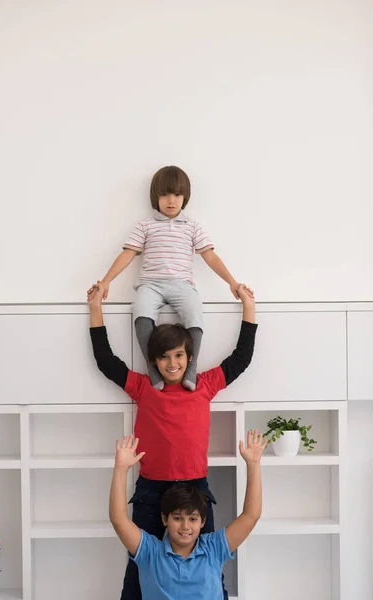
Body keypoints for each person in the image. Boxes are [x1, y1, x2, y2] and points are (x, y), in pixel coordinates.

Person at [88, 281, 257, 600]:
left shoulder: (205, 385)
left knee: (208, 566)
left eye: (178, 355)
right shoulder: (143, 388)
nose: (172, 363)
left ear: (189, 356)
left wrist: (248, 306)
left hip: (196, 489)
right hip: (151, 490)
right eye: (163, 357)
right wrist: (95, 309)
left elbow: (241, 358)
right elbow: (106, 361)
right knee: (138, 569)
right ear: (153, 361)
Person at [87, 165, 253, 391]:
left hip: (181, 284)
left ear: (185, 197)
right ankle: (153, 367)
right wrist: (106, 281)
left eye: (176, 194)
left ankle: (191, 367)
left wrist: (232, 283)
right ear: (156, 197)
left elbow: (210, 257)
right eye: (164, 195)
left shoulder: (192, 227)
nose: (171, 200)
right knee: (141, 313)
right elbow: (127, 254)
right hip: (151, 285)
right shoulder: (145, 226)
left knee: (195, 312)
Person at [109, 432, 267, 600]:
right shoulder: (150, 552)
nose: (185, 526)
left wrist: (253, 463)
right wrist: (121, 468)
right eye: (177, 518)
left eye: (192, 519)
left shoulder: (214, 548)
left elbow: (251, 515)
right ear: (165, 519)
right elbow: (118, 519)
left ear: (202, 521)